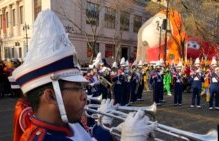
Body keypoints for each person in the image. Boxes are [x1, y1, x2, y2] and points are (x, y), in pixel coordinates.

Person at [13, 9, 155, 141]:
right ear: (51, 96)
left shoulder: (70, 124)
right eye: (77, 88)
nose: (84, 95)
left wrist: (105, 127)